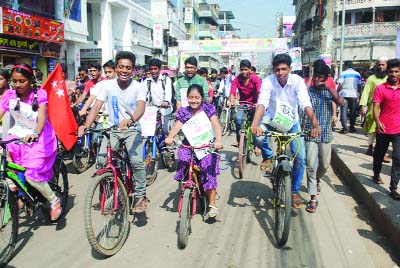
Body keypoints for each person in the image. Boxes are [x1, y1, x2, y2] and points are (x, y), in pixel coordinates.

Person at [77, 51, 148, 213]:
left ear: (133, 70)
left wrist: (132, 120)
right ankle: (109, 190)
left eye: (128, 68)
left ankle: (140, 196)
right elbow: (96, 106)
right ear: (116, 68)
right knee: (102, 161)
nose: (124, 70)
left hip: (131, 129)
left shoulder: (139, 87)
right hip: (111, 130)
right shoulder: (107, 86)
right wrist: (85, 126)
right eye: (121, 67)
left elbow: (141, 107)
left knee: (136, 161)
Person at [251, 53, 321, 208]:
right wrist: (255, 124)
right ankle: (268, 156)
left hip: (291, 123)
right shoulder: (268, 81)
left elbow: (305, 104)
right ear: (273, 70)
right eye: (277, 70)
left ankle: (294, 190)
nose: (280, 73)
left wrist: (315, 125)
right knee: (258, 137)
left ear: (290, 68)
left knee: (301, 157)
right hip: (271, 119)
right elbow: (262, 103)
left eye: (284, 69)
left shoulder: (297, 81)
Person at [0, 63, 61, 220]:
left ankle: (54, 201)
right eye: (14, 81)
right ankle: (16, 189)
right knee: (5, 162)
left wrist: (35, 133)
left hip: (39, 138)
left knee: (31, 175)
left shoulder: (39, 94)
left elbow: (42, 117)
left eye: (22, 81)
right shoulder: (9, 96)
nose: (18, 85)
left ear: (30, 80)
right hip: (18, 136)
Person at [165, 84, 222, 218]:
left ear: (202, 98)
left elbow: (216, 125)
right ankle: (189, 185)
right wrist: (170, 137)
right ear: (187, 98)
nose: (194, 100)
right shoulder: (184, 111)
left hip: (206, 146)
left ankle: (212, 205)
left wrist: (218, 140)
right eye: (191, 98)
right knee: (183, 160)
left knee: (209, 173)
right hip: (189, 145)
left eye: (197, 97)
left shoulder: (208, 109)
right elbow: (178, 125)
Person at [303, 63, 344, 213]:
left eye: (320, 77)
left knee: (325, 165)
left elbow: (341, 102)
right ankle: (313, 199)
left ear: (326, 78)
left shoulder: (329, 92)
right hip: (310, 133)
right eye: (315, 77)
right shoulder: (307, 92)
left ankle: (318, 179)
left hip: (326, 134)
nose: (317, 80)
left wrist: (328, 88)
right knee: (311, 165)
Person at [372, 58, 400, 200]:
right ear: (387, 72)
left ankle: (393, 188)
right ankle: (376, 174)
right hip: (383, 129)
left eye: (396, 72)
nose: (394, 74)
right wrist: (377, 122)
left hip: (398, 130)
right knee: (378, 155)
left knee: (397, 158)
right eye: (391, 72)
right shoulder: (380, 88)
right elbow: (376, 106)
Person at [359, 57, 388, 157]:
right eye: (379, 65)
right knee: (372, 129)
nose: (380, 67)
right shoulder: (371, 79)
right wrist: (363, 105)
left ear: (387, 65)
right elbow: (366, 92)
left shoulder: (390, 78)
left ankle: (381, 151)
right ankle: (370, 146)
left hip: (387, 109)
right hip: (373, 108)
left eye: (383, 65)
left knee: (384, 130)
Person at [229, 59, 261, 147]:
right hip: (242, 103)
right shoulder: (237, 79)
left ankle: (256, 145)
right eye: (242, 69)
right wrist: (231, 102)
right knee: (238, 120)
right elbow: (232, 92)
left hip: (254, 104)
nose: (243, 72)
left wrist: (259, 103)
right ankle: (240, 141)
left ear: (250, 69)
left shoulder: (255, 78)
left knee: (255, 124)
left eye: (246, 69)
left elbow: (259, 91)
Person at [144, 58, 173, 135]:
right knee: (148, 130)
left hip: (165, 109)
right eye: (151, 69)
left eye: (155, 69)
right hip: (152, 109)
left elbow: (168, 93)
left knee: (165, 130)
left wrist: (166, 102)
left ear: (159, 69)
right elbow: (143, 94)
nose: (153, 71)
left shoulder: (166, 79)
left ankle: (166, 144)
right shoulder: (147, 81)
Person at [337, 60, 362, 133]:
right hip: (354, 94)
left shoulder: (343, 73)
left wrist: (337, 92)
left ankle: (345, 128)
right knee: (353, 112)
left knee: (343, 112)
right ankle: (352, 127)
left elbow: (340, 84)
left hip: (344, 94)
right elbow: (359, 85)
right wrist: (359, 95)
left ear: (345, 66)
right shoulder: (357, 74)